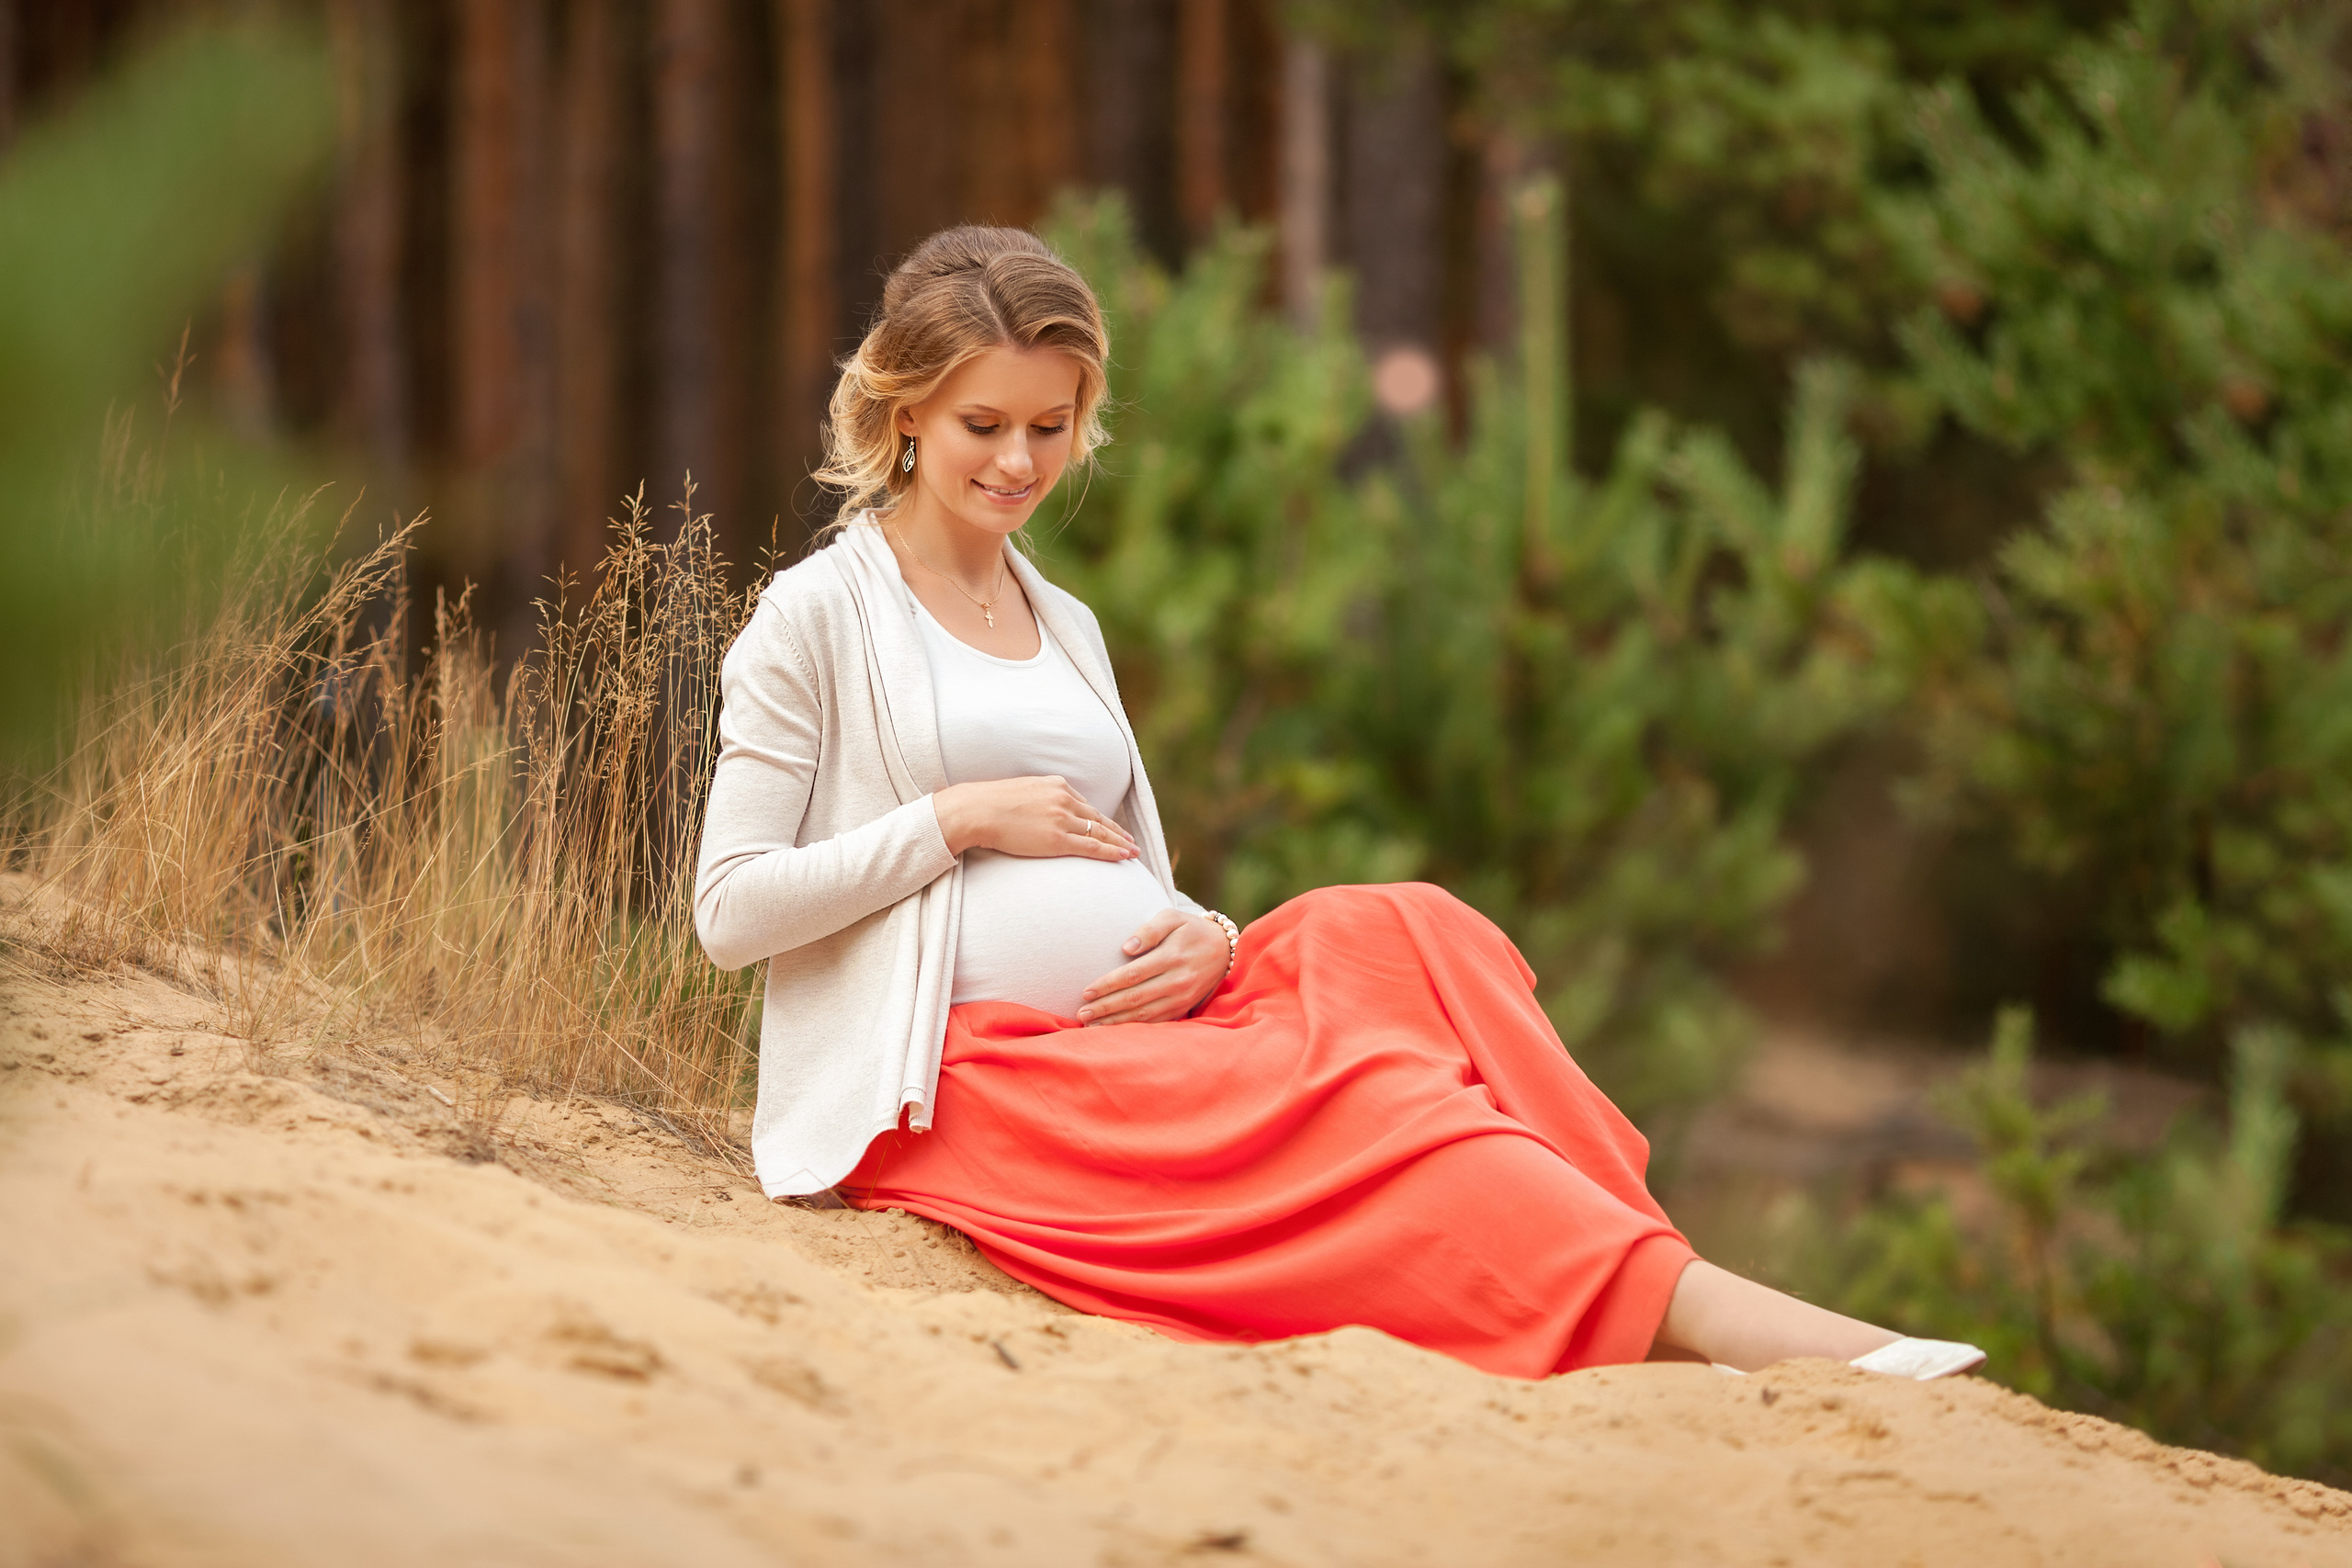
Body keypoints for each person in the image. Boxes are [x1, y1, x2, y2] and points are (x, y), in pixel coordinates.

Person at [693, 224, 1983, 1383]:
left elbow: (1118, 858)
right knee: (1392, 1110)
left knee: (1417, 928)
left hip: (1150, 1023)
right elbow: (729, 912)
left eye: (1054, 423)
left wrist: (1202, 929)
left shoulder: (1064, 618)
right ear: (905, 411)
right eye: (986, 424)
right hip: (971, 1081)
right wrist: (956, 822)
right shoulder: (815, 617)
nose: (1023, 460)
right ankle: (1761, 1334)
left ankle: (1628, 1264)